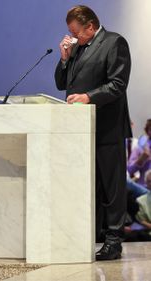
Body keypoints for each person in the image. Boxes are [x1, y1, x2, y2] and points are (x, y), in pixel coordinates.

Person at [54, 5, 132, 260]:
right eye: (70, 34)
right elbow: (62, 84)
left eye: (76, 33)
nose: (73, 38)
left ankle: (114, 240)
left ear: (90, 26)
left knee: (111, 186)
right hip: (79, 129)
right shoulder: (76, 48)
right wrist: (65, 58)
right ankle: (89, 236)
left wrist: (88, 97)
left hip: (107, 126)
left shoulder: (114, 43)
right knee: (88, 186)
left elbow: (118, 84)